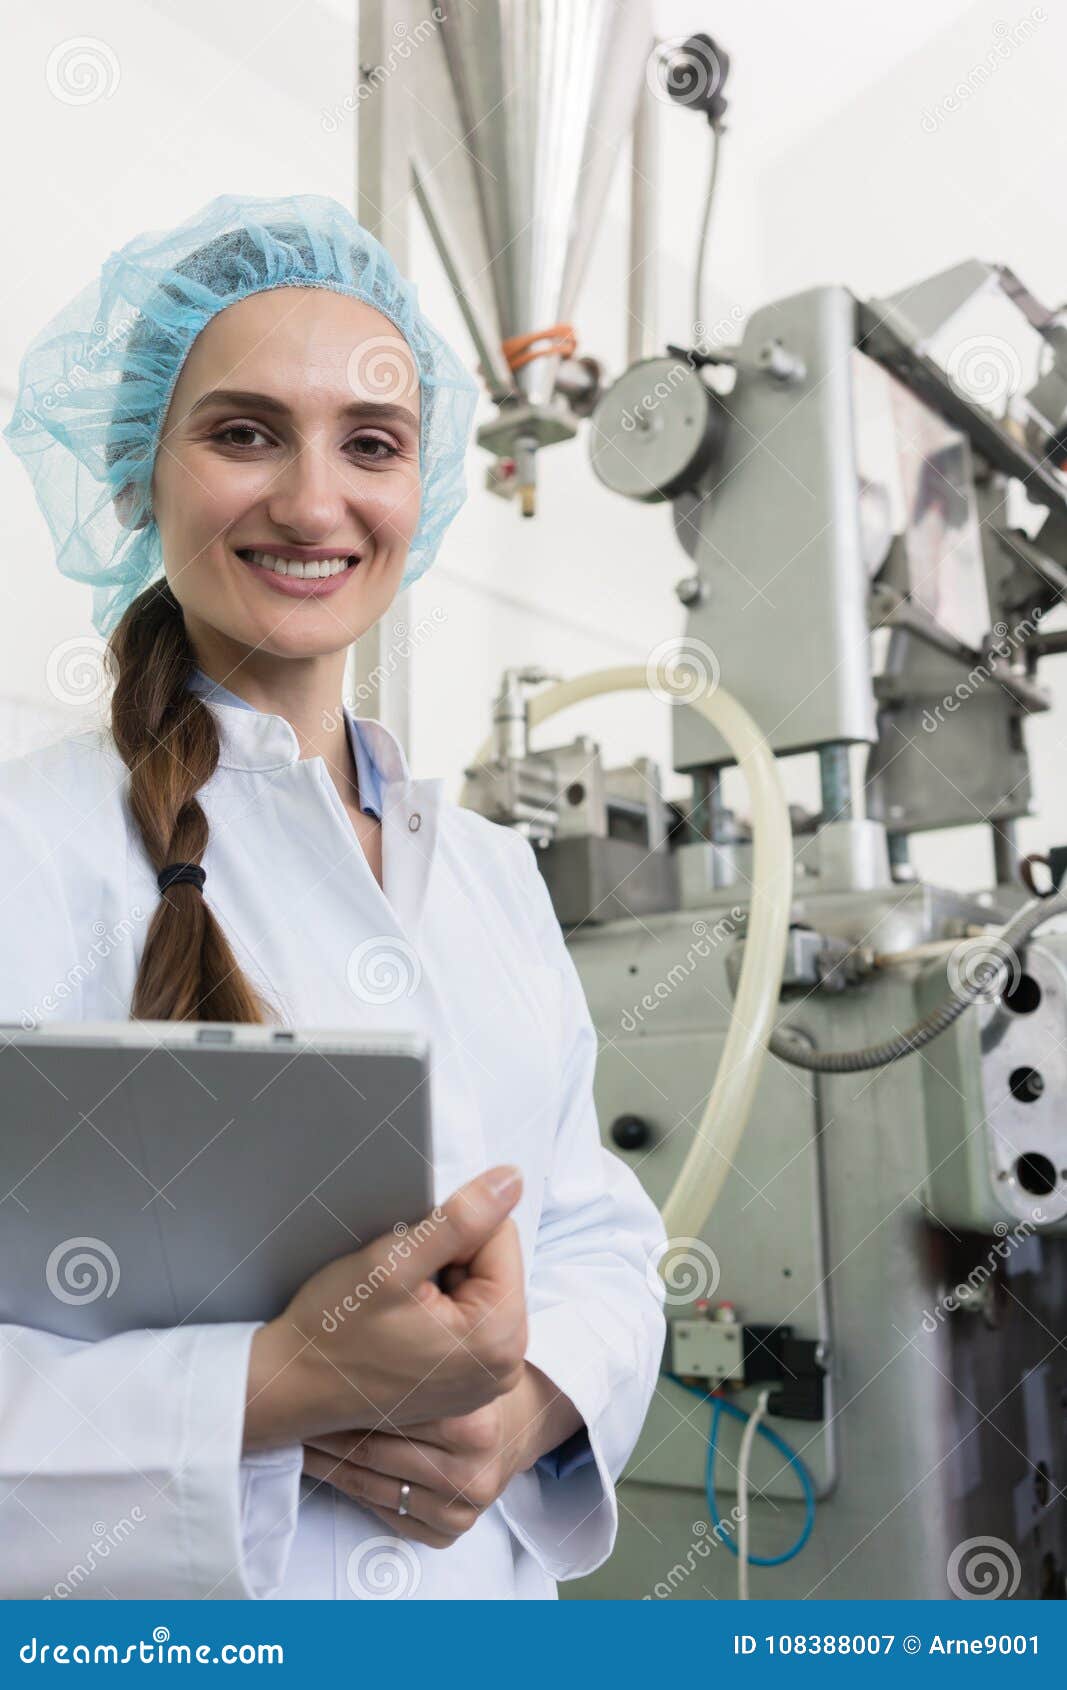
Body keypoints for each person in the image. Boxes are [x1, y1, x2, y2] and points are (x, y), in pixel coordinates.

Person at [0, 192, 667, 1600]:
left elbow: (596, 1228)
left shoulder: (487, 872)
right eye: (244, 432)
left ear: (419, 493)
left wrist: (527, 1409)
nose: (313, 503)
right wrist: (270, 1383)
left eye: (370, 444)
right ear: (140, 475)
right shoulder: (26, 846)